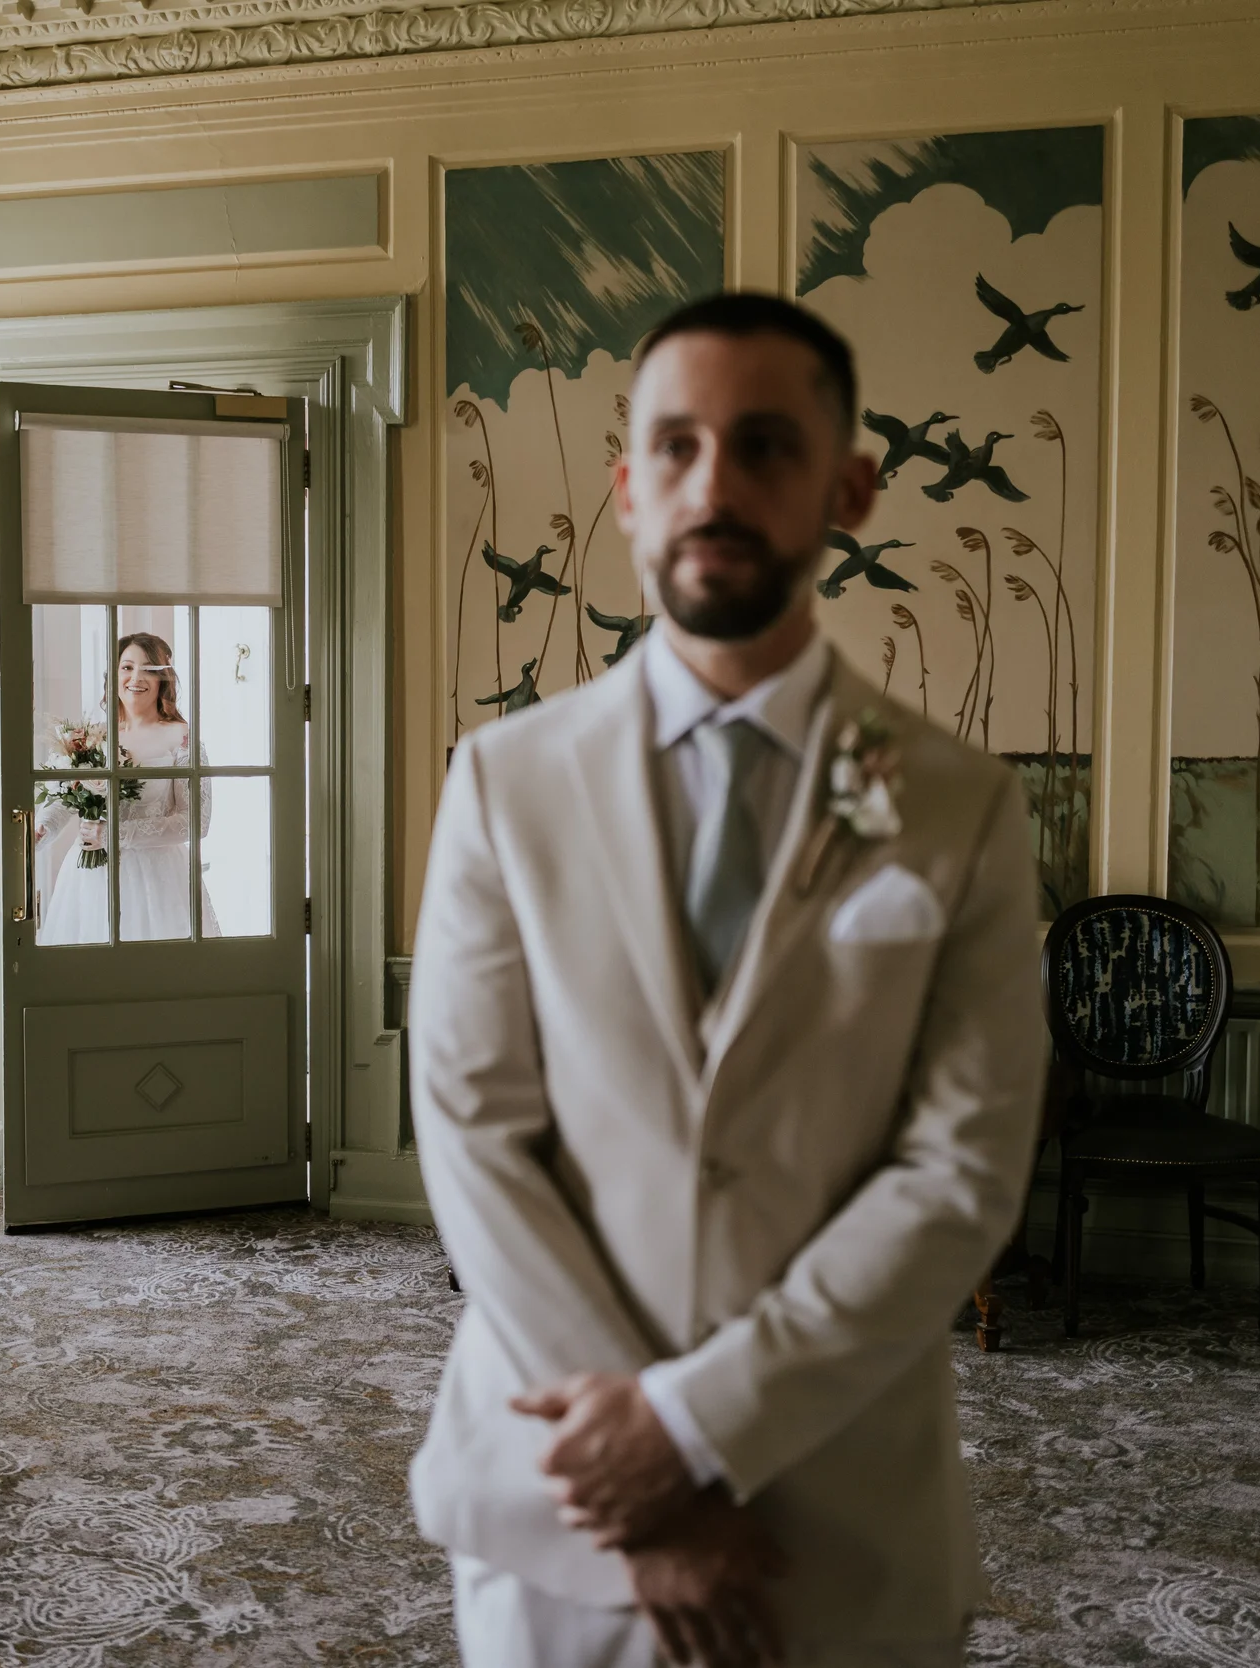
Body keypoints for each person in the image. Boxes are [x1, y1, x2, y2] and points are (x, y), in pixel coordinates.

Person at [407, 292, 1045, 1668]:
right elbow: (474, 1137)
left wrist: (700, 1426)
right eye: (677, 449)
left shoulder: (956, 804)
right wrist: (635, 1471)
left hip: (836, 1513)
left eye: (764, 447)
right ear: (627, 491)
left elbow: (962, 1173)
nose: (717, 488)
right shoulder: (503, 785)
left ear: (849, 488)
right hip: (558, 1491)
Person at [35, 631, 219, 944]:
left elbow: (195, 821)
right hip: (89, 881)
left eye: (149, 669)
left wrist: (115, 834)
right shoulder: (92, 736)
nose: (136, 677)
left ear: (164, 679)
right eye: (127, 667)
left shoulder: (183, 740)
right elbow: (66, 798)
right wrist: (40, 830)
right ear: (114, 674)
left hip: (159, 881)